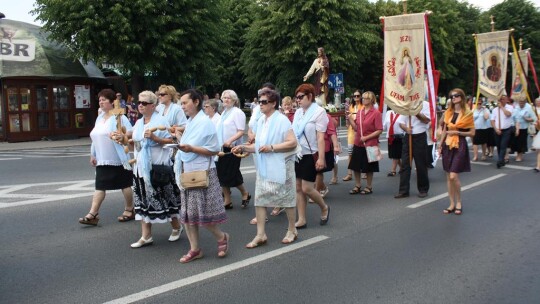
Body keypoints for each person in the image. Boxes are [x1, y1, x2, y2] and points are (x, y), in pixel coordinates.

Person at [232, 88, 299, 247]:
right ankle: (261, 234)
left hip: (282, 165)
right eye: (259, 101)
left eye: (264, 102)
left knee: (287, 199)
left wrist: (272, 147)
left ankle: (292, 230)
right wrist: (243, 147)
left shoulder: (282, 120)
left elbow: (292, 142)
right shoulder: (261, 121)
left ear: (274, 103)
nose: (260, 104)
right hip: (264, 165)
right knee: (260, 199)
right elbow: (259, 146)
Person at [175, 89, 229, 263]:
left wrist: (190, 148)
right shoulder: (190, 122)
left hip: (202, 172)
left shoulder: (205, 122)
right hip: (188, 171)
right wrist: (179, 139)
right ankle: (195, 249)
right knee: (188, 215)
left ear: (196, 102)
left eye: (185, 103)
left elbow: (214, 149)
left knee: (204, 215)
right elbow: (187, 143)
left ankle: (221, 237)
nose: (182, 106)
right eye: (181, 103)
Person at [130, 91, 182, 248]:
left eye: (144, 103)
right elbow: (136, 144)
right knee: (143, 202)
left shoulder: (161, 121)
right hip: (141, 168)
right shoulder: (139, 123)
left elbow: (173, 140)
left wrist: (155, 139)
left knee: (166, 199)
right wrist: (124, 141)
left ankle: (176, 227)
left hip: (158, 167)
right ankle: (146, 236)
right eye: (138, 102)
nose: (140, 105)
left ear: (153, 106)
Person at [79, 89, 134, 226]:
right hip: (102, 158)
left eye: (104, 99)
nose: (101, 102)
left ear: (112, 102)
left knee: (125, 185)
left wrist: (121, 135)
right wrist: (93, 153)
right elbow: (95, 137)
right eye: (99, 100)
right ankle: (93, 214)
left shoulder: (119, 117)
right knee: (100, 186)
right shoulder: (99, 118)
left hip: (118, 158)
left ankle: (129, 209)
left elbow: (130, 132)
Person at [292, 83, 330, 229]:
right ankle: (301, 219)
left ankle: (324, 207)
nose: (298, 100)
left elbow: (320, 137)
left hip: (310, 153)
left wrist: (321, 158)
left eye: (300, 97)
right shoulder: (298, 113)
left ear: (310, 96)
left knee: (307, 188)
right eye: (297, 97)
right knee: (298, 188)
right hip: (297, 153)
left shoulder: (319, 112)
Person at [438, 89, 475, 215]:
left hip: (460, 144)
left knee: (454, 175)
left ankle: (459, 201)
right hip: (448, 144)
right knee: (448, 177)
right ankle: (451, 203)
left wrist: (458, 132)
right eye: (451, 96)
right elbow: (444, 130)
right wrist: (440, 144)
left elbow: (472, 133)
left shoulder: (468, 113)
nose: (453, 98)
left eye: (456, 96)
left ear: (462, 97)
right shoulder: (448, 112)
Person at [216, 89, 251, 209]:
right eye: (224, 97)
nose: (225, 100)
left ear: (234, 100)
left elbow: (241, 131)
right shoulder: (224, 112)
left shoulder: (237, 112)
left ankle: (244, 193)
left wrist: (230, 141)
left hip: (233, 148)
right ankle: (228, 200)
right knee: (222, 174)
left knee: (230, 173)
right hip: (222, 147)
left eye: (228, 98)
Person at [347, 91, 383, 195]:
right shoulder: (360, 112)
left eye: (365, 98)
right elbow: (357, 128)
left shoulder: (376, 113)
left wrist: (367, 137)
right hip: (358, 142)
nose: (363, 99)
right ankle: (357, 185)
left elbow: (379, 130)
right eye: (362, 98)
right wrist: (350, 120)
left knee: (369, 167)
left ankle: (369, 186)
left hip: (371, 143)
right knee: (355, 165)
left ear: (371, 100)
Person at [394, 98, 431, 198]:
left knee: (421, 164)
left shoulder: (425, 104)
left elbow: (426, 120)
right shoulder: (406, 104)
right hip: (408, 136)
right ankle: (403, 190)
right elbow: (400, 122)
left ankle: (423, 189)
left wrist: (415, 111)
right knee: (405, 164)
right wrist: (406, 128)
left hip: (420, 136)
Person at [342, 90, 362, 181]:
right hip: (351, 132)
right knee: (350, 153)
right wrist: (347, 121)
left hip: (361, 131)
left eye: (358, 96)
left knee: (362, 153)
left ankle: (364, 172)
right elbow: (347, 117)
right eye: (355, 96)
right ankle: (349, 173)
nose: (356, 98)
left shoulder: (363, 107)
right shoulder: (350, 106)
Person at [490, 95, 514, 168]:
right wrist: (496, 129)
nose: (501, 101)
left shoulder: (510, 107)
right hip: (497, 130)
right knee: (499, 146)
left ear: (506, 100)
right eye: (500, 99)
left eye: (503, 99)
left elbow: (508, 114)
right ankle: (502, 159)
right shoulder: (494, 110)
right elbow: (492, 120)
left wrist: (502, 107)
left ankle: (500, 161)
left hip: (506, 130)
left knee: (503, 145)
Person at [383, 106, 404, 176]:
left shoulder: (403, 113)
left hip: (399, 137)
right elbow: (384, 125)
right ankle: (402, 167)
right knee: (393, 154)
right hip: (390, 137)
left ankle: (393, 170)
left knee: (396, 155)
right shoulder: (388, 113)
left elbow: (405, 126)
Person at [532, 97, 540, 172]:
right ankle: (538, 166)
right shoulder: (533, 109)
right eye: (537, 101)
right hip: (538, 131)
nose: (538, 102)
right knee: (539, 150)